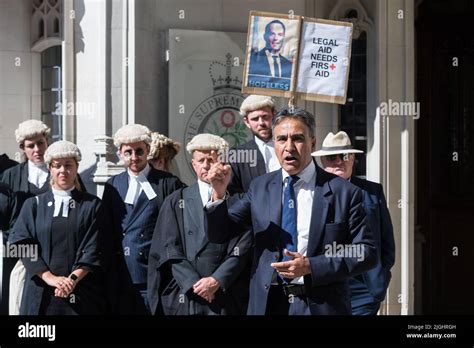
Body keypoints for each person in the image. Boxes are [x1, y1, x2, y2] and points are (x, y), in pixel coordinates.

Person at [204, 107, 376, 315]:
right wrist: (218, 194)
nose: (289, 147)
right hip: (269, 304)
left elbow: (366, 252)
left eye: (297, 138)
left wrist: (312, 265)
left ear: (312, 141)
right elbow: (219, 234)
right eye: (281, 139)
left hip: (320, 305)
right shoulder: (260, 188)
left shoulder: (344, 192)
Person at [148, 134, 252, 315]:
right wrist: (193, 283)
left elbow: (243, 246)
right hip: (187, 295)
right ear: (193, 165)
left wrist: (216, 280)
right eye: (201, 160)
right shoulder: (176, 200)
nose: (206, 165)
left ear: (223, 162)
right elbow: (168, 248)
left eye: (211, 160)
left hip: (226, 295)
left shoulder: (240, 199)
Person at [9, 141, 109, 315]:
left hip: (81, 294)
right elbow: (20, 244)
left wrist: (71, 280)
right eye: (57, 166)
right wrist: (49, 278)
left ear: (77, 167)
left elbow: (95, 247)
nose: (63, 171)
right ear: (50, 168)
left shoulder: (92, 205)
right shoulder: (33, 205)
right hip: (41, 293)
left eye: (68, 165)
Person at [102, 123, 184, 315]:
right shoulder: (113, 185)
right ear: (120, 154)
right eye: (128, 152)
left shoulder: (168, 183)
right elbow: (107, 230)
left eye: (139, 151)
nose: (134, 157)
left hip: (157, 272)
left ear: (148, 150)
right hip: (124, 272)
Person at [313, 131, 395, 315]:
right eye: (331, 157)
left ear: (352, 158)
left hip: (365, 288)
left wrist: (381, 275)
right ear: (322, 162)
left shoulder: (373, 191)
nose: (338, 161)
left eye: (344, 155)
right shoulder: (312, 193)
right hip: (327, 285)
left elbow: (387, 239)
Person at [1, 120, 86, 197]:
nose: (37, 149)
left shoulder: (64, 171)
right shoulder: (11, 175)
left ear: (47, 142)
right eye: (31, 146)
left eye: (40, 143)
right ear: (23, 148)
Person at [228, 95, 281, 195]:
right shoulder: (237, 155)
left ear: (274, 115)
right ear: (247, 122)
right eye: (255, 119)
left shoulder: (291, 148)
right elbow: (232, 196)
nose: (261, 123)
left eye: (265, 117)